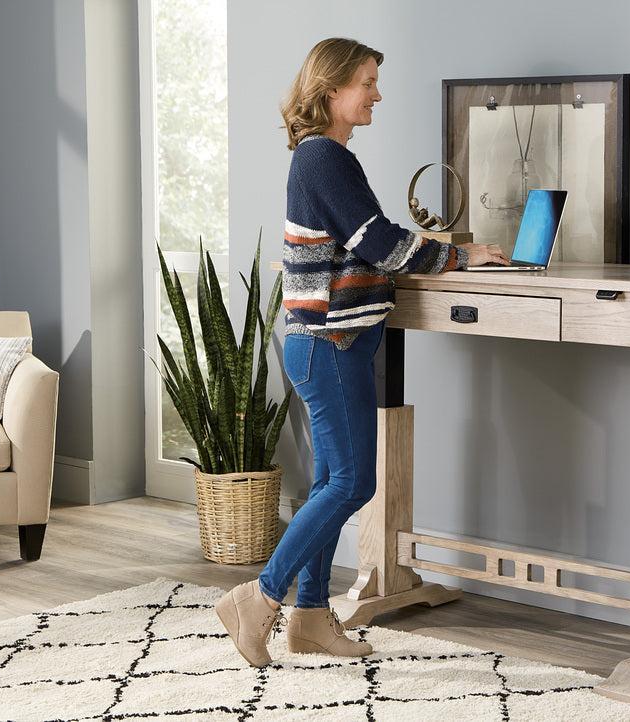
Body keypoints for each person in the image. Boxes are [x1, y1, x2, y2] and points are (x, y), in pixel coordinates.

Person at [214, 37, 509, 668]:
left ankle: (311, 617)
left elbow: (366, 243)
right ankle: (259, 596)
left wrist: (429, 249)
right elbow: (378, 242)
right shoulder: (323, 158)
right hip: (330, 346)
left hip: (331, 344)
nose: (377, 93)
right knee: (352, 482)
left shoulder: (328, 157)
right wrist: (462, 254)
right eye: (367, 82)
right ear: (331, 90)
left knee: (330, 481)